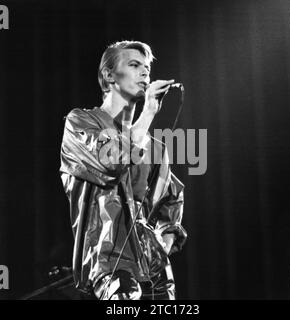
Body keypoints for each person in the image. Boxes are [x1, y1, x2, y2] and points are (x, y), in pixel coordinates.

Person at [59, 41, 187, 300]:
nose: (145, 73)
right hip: (108, 258)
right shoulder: (81, 123)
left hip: (152, 264)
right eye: (134, 65)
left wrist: (162, 244)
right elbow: (110, 162)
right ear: (108, 76)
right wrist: (149, 112)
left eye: (147, 68)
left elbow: (170, 198)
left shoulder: (154, 147)